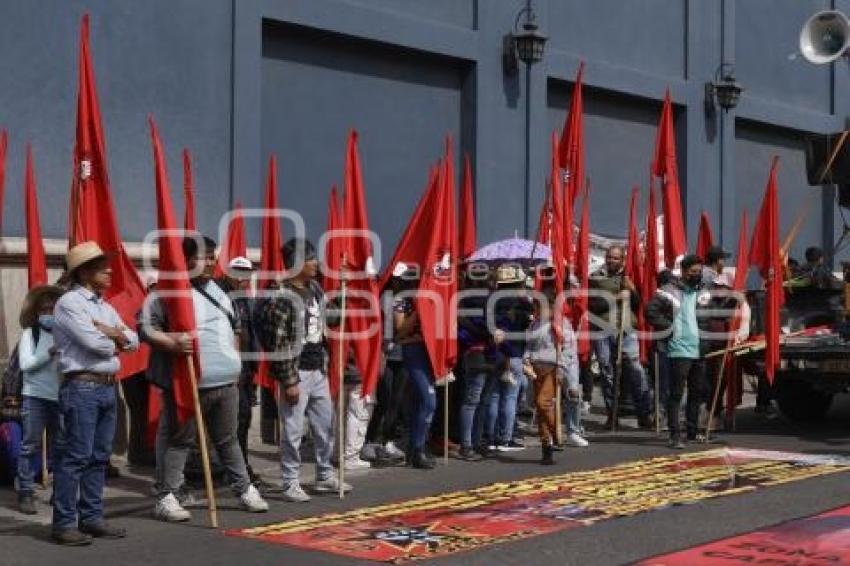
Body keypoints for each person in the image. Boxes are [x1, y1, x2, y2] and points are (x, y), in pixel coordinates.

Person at [142, 236, 268, 522]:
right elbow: (145, 328)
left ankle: (244, 488)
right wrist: (172, 341)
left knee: (228, 440)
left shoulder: (221, 291)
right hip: (187, 384)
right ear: (186, 260)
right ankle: (167, 496)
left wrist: (235, 365)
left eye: (213, 257)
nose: (212, 262)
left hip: (226, 384)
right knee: (179, 441)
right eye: (205, 257)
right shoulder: (168, 292)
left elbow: (234, 327)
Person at [51, 242, 140, 545]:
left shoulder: (104, 307)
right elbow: (95, 345)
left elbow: (134, 340)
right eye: (103, 266)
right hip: (82, 386)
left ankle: (91, 517)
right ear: (85, 271)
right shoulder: (70, 303)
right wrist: (115, 337)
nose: (110, 270)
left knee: (99, 457)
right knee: (76, 456)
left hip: (105, 386)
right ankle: (64, 523)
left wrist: (114, 334)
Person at [259, 237, 351, 500]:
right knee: (293, 429)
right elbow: (277, 342)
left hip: (318, 367)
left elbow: (333, 317)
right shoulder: (282, 296)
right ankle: (290, 481)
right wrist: (289, 381)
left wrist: (342, 292)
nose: (316, 263)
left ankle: (324, 474)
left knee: (325, 425)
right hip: (296, 370)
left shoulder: (316, 289)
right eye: (310, 259)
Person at [646, 254, 714, 448]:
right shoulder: (668, 290)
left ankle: (692, 432)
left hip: (699, 348)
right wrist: (671, 328)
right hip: (679, 348)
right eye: (693, 272)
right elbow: (650, 311)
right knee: (676, 393)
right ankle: (675, 434)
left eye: (699, 272)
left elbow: (713, 312)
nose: (697, 275)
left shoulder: (703, 291)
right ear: (684, 271)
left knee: (697, 392)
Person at [588, 245, 653, 429]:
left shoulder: (629, 278)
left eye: (615, 258)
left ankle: (644, 414)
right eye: (609, 257)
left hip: (626, 329)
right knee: (607, 372)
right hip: (603, 330)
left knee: (636, 370)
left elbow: (638, 304)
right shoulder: (595, 278)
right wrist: (616, 297)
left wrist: (632, 290)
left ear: (622, 260)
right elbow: (593, 305)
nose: (611, 261)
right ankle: (612, 415)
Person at [524, 290, 589, 465]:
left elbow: (568, 349)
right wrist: (526, 361)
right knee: (541, 411)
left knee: (542, 403)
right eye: (536, 306)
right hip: (536, 369)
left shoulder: (561, 324)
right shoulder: (534, 325)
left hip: (552, 367)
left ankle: (557, 433)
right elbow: (529, 346)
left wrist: (562, 369)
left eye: (542, 307)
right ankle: (546, 448)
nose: (538, 310)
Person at [16, 285, 64, 515]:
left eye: (52, 308)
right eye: (44, 309)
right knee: (29, 447)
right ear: (36, 313)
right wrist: (50, 353)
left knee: (60, 448)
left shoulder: (65, 334)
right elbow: (26, 365)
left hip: (60, 398)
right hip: (35, 398)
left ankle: (59, 493)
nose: (48, 312)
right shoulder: (29, 334)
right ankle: (25, 492)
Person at [217, 256, 262, 484]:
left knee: (242, 419)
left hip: (244, 370)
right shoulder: (218, 294)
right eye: (239, 272)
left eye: (247, 273)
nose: (244, 278)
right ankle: (229, 468)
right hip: (224, 369)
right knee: (227, 422)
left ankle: (240, 466)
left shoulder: (246, 299)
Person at [391, 264, 437, 469]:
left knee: (421, 402)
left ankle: (416, 447)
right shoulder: (400, 301)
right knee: (428, 401)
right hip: (412, 352)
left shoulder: (429, 298)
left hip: (428, 352)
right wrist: (419, 311)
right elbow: (400, 330)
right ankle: (417, 448)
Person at [486, 265, 532, 452]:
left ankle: (491, 436)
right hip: (513, 353)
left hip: (495, 352)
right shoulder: (521, 302)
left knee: (495, 396)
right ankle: (505, 438)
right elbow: (530, 318)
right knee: (510, 397)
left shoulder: (492, 300)